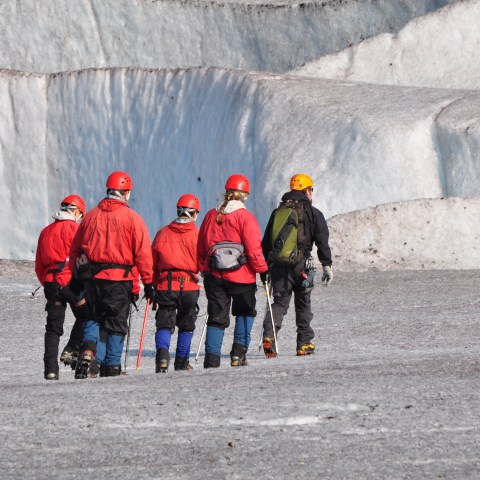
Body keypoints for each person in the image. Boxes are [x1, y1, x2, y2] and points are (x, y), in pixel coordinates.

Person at [69, 171, 154, 378]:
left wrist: (75, 275)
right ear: (126, 193)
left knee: (93, 317)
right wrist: (148, 281)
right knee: (116, 324)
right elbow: (143, 253)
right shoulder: (133, 219)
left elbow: (75, 249)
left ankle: (88, 349)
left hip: (93, 279)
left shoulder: (89, 216)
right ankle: (112, 367)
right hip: (119, 280)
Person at [197, 174, 268, 368]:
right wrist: (262, 269)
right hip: (242, 276)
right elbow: (254, 249)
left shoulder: (211, 215)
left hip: (214, 274)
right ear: (244, 195)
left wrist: (204, 269)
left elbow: (201, 246)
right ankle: (238, 355)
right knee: (245, 313)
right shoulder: (246, 218)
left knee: (216, 317)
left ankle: (211, 359)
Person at [261, 173, 333, 357]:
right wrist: (327, 264)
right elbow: (322, 241)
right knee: (303, 304)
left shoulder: (278, 212)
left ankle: (269, 335)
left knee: (279, 303)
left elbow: (266, 242)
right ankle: (304, 343)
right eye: (311, 189)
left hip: (278, 267)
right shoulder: (313, 213)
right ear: (307, 190)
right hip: (303, 265)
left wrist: (265, 267)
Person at [35, 194, 90, 380]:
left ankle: (51, 370)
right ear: (76, 211)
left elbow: (39, 264)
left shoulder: (46, 231)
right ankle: (71, 349)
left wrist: (47, 283)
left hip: (51, 283)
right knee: (86, 314)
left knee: (53, 328)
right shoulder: (75, 229)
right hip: (68, 281)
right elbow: (83, 257)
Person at [151, 194, 201, 373]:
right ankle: (181, 362)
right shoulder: (197, 234)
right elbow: (203, 262)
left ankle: (162, 357)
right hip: (189, 286)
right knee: (186, 324)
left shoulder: (162, 232)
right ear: (194, 214)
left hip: (166, 284)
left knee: (164, 323)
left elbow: (153, 264)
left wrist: (153, 284)